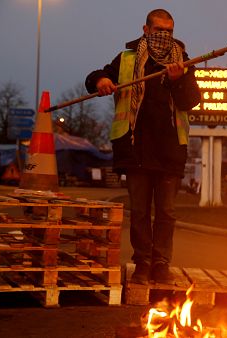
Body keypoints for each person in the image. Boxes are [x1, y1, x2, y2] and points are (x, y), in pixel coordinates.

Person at [85, 9, 201, 285]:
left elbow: (190, 101)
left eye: (169, 31)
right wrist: (100, 81)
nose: (164, 36)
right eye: (158, 30)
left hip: (170, 150)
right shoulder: (126, 58)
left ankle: (161, 263)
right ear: (146, 30)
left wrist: (177, 81)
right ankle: (143, 263)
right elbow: (97, 76)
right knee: (138, 212)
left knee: (166, 212)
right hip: (136, 150)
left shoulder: (183, 62)